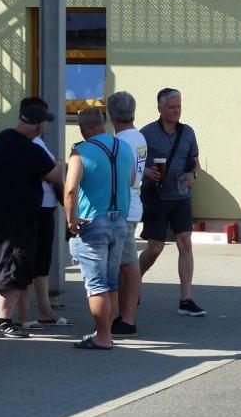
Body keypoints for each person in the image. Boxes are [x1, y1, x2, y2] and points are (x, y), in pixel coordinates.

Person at [0, 98, 63, 339]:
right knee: (11, 269)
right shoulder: (32, 150)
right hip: (15, 219)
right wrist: (62, 163)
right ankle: (2, 322)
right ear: (39, 126)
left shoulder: (3, 138)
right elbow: (54, 175)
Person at [65, 107, 134, 349]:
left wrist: (71, 220)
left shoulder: (80, 151)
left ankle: (102, 336)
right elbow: (131, 180)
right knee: (111, 282)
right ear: (104, 123)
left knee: (96, 284)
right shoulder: (124, 147)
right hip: (120, 221)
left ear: (82, 128)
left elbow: (70, 189)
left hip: (93, 221)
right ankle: (106, 332)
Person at [138, 88, 204, 316]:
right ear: (160, 108)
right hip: (156, 197)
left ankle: (186, 299)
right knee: (155, 248)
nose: (176, 111)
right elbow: (134, 164)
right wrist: (147, 172)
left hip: (181, 197)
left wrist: (192, 175)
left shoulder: (187, 132)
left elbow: (195, 163)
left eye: (178, 107)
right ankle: (133, 281)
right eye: (171, 107)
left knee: (185, 243)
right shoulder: (146, 133)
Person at [17, 120, 68, 331]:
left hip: (47, 206)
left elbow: (54, 169)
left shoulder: (38, 142)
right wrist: (59, 165)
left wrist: (57, 165)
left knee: (42, 261)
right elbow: (53, 170)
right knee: (28, 261)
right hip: (33, 207)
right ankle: (23, 314)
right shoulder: (28, 144)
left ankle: (45, 311)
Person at [107, 90, 146, 336]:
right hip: (132, 204)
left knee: (127, 265)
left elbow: (122, 177)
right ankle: (123, 315)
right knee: (125, 265)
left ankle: (127, 318)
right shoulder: (138, 136)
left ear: (111, 115)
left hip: (123, 206)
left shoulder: (120, 142)